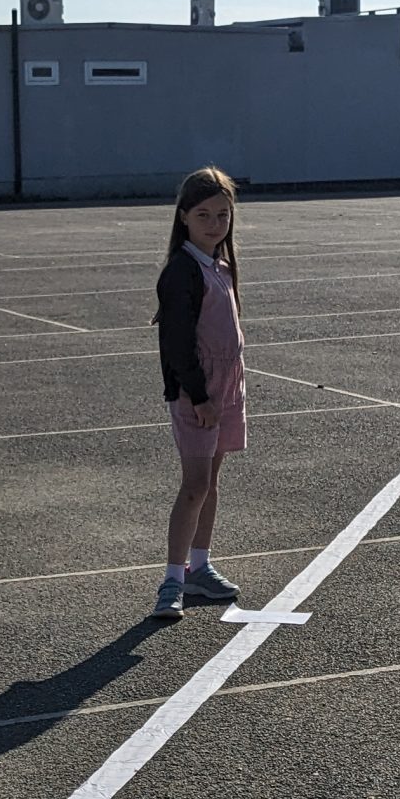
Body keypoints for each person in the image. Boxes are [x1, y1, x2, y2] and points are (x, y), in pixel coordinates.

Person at [152, 166, 249, 621]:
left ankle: (200, 567)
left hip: (227, 387)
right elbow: (176, 343)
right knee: (194, 485)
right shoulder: (182, 271)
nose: (215, 224)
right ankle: (172, 580)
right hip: (199, 394)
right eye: (204, 215)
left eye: (222, 215)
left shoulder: (221, 267)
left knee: (210, 482)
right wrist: (199, 396)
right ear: (184, 217)